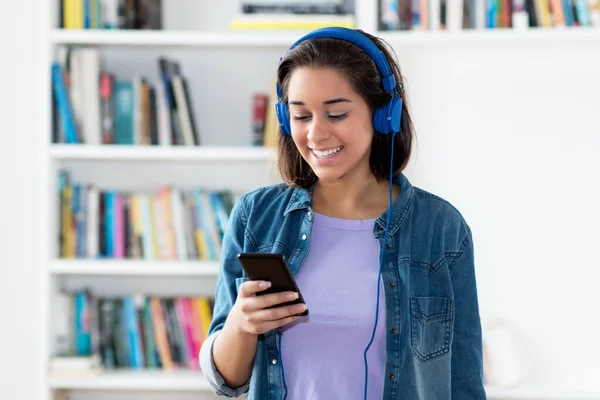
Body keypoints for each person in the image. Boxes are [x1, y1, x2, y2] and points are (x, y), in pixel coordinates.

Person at [199, 27, 486, 400]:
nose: (316, 135)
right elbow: (226, 380)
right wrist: (241, 323)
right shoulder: (257, 217)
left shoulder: (440, 229)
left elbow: (462, 382)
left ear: (383, 115)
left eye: (335, 114)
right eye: (301, 116)